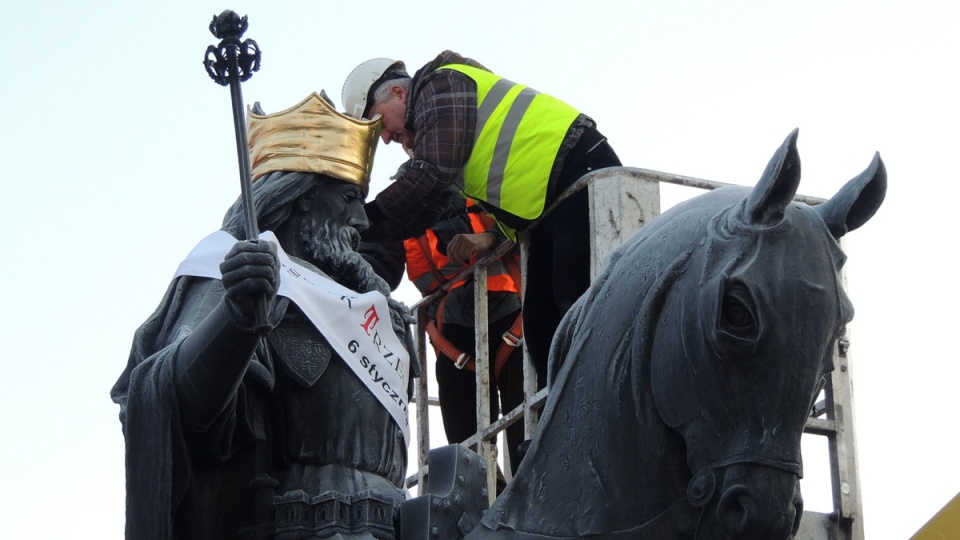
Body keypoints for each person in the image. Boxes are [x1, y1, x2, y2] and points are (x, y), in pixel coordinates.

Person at [111, 93, 412, 540]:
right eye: (348, 197)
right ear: (303, 197)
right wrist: (235, 318)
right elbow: (177, 397)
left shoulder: (372, 308)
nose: (360, 220)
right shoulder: (234, 270)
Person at [341, 51, 621, 389]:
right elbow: (427, 209)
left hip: (577, 170)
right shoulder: (444, 125)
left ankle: (601, 407)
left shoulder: (440, 83)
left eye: (377, 121)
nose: (383, 137)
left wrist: (358, 215)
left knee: (573, 298)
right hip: (546, 212)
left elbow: (429, 176)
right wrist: (360, 232)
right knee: (542, 326)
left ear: (398, 93)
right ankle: (567, 427)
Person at [401, 194, 525, 475]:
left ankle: (532, 505)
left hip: (512, 317)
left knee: (527, 434)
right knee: (468, 459)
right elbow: (378, 256)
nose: (400, 146)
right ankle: (493, 511)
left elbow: (532, 215)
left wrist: (491, 237)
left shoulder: (483, 176)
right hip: (453, 337)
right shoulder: (405, 203)